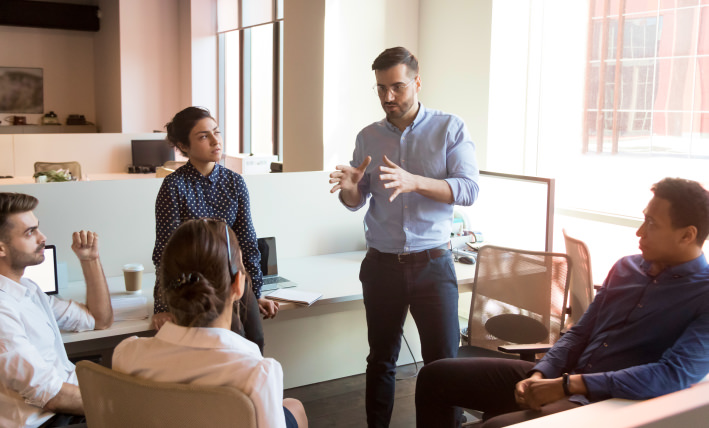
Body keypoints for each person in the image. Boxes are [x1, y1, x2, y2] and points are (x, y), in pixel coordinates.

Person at [415, 177, 709, 428]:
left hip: (606, 401)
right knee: (434, 376)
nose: (639, 232)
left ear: (687, 235)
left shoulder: (703, 296)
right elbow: (580, 332)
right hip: (564, 378)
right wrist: (542, 373)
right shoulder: (625, 268)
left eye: (652, 223)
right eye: (643, 219)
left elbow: (673, 374)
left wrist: (569, 385)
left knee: (494, 426)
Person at [328, 46, 479, 427]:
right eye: (381, 88)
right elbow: (356, 201)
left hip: (433, 264)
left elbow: (468, 189)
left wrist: (415, 182)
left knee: (442, 364)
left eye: (397, 87)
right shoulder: (368, 137)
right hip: (382, 266)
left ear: (417, 82)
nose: (388, 97)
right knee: (380, 359)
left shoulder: (450, 128)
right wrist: (350, 188)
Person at [113, 219, 307, 428]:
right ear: (238, 285)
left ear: (164, 289)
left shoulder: (126, 354)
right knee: (294, 406)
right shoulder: (257, 372)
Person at [151, 106, 279, 354]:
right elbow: (165, 252)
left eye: (216, 132)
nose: (215, 141)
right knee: (226, 342)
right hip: (195, 286)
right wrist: (161, 306)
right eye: (203, 136)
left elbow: (247, 243)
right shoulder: (173, 186)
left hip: (234, 278)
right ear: (183, 146)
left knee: (254, 342)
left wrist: (257, 292)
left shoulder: (235, 182)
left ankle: (253, 390)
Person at [0, 192, 113, 428]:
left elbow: (98, 320)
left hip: (70, 407)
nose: (43, 237)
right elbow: (51, 396)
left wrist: (90, 260)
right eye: (30, 232)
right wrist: (119, 402)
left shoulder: (28, 290)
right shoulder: (3, 310)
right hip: (48, 420)